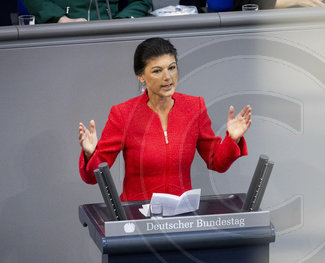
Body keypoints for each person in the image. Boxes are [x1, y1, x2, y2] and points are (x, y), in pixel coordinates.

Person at [78, 37, 251, 201]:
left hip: (180, 217)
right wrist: (90, 153)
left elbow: (217, 163)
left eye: (172, 67)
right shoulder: (123, 114)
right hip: (137, 217)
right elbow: (93, 177)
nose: (167, 77)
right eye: (157, 71)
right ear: (141, 76)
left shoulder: (194, 107)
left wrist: (232, 138)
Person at [24, 0, 152, 24]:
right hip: (61, 32)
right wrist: (60, 19)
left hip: (110, 35)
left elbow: (141, 1)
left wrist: (120, 21)